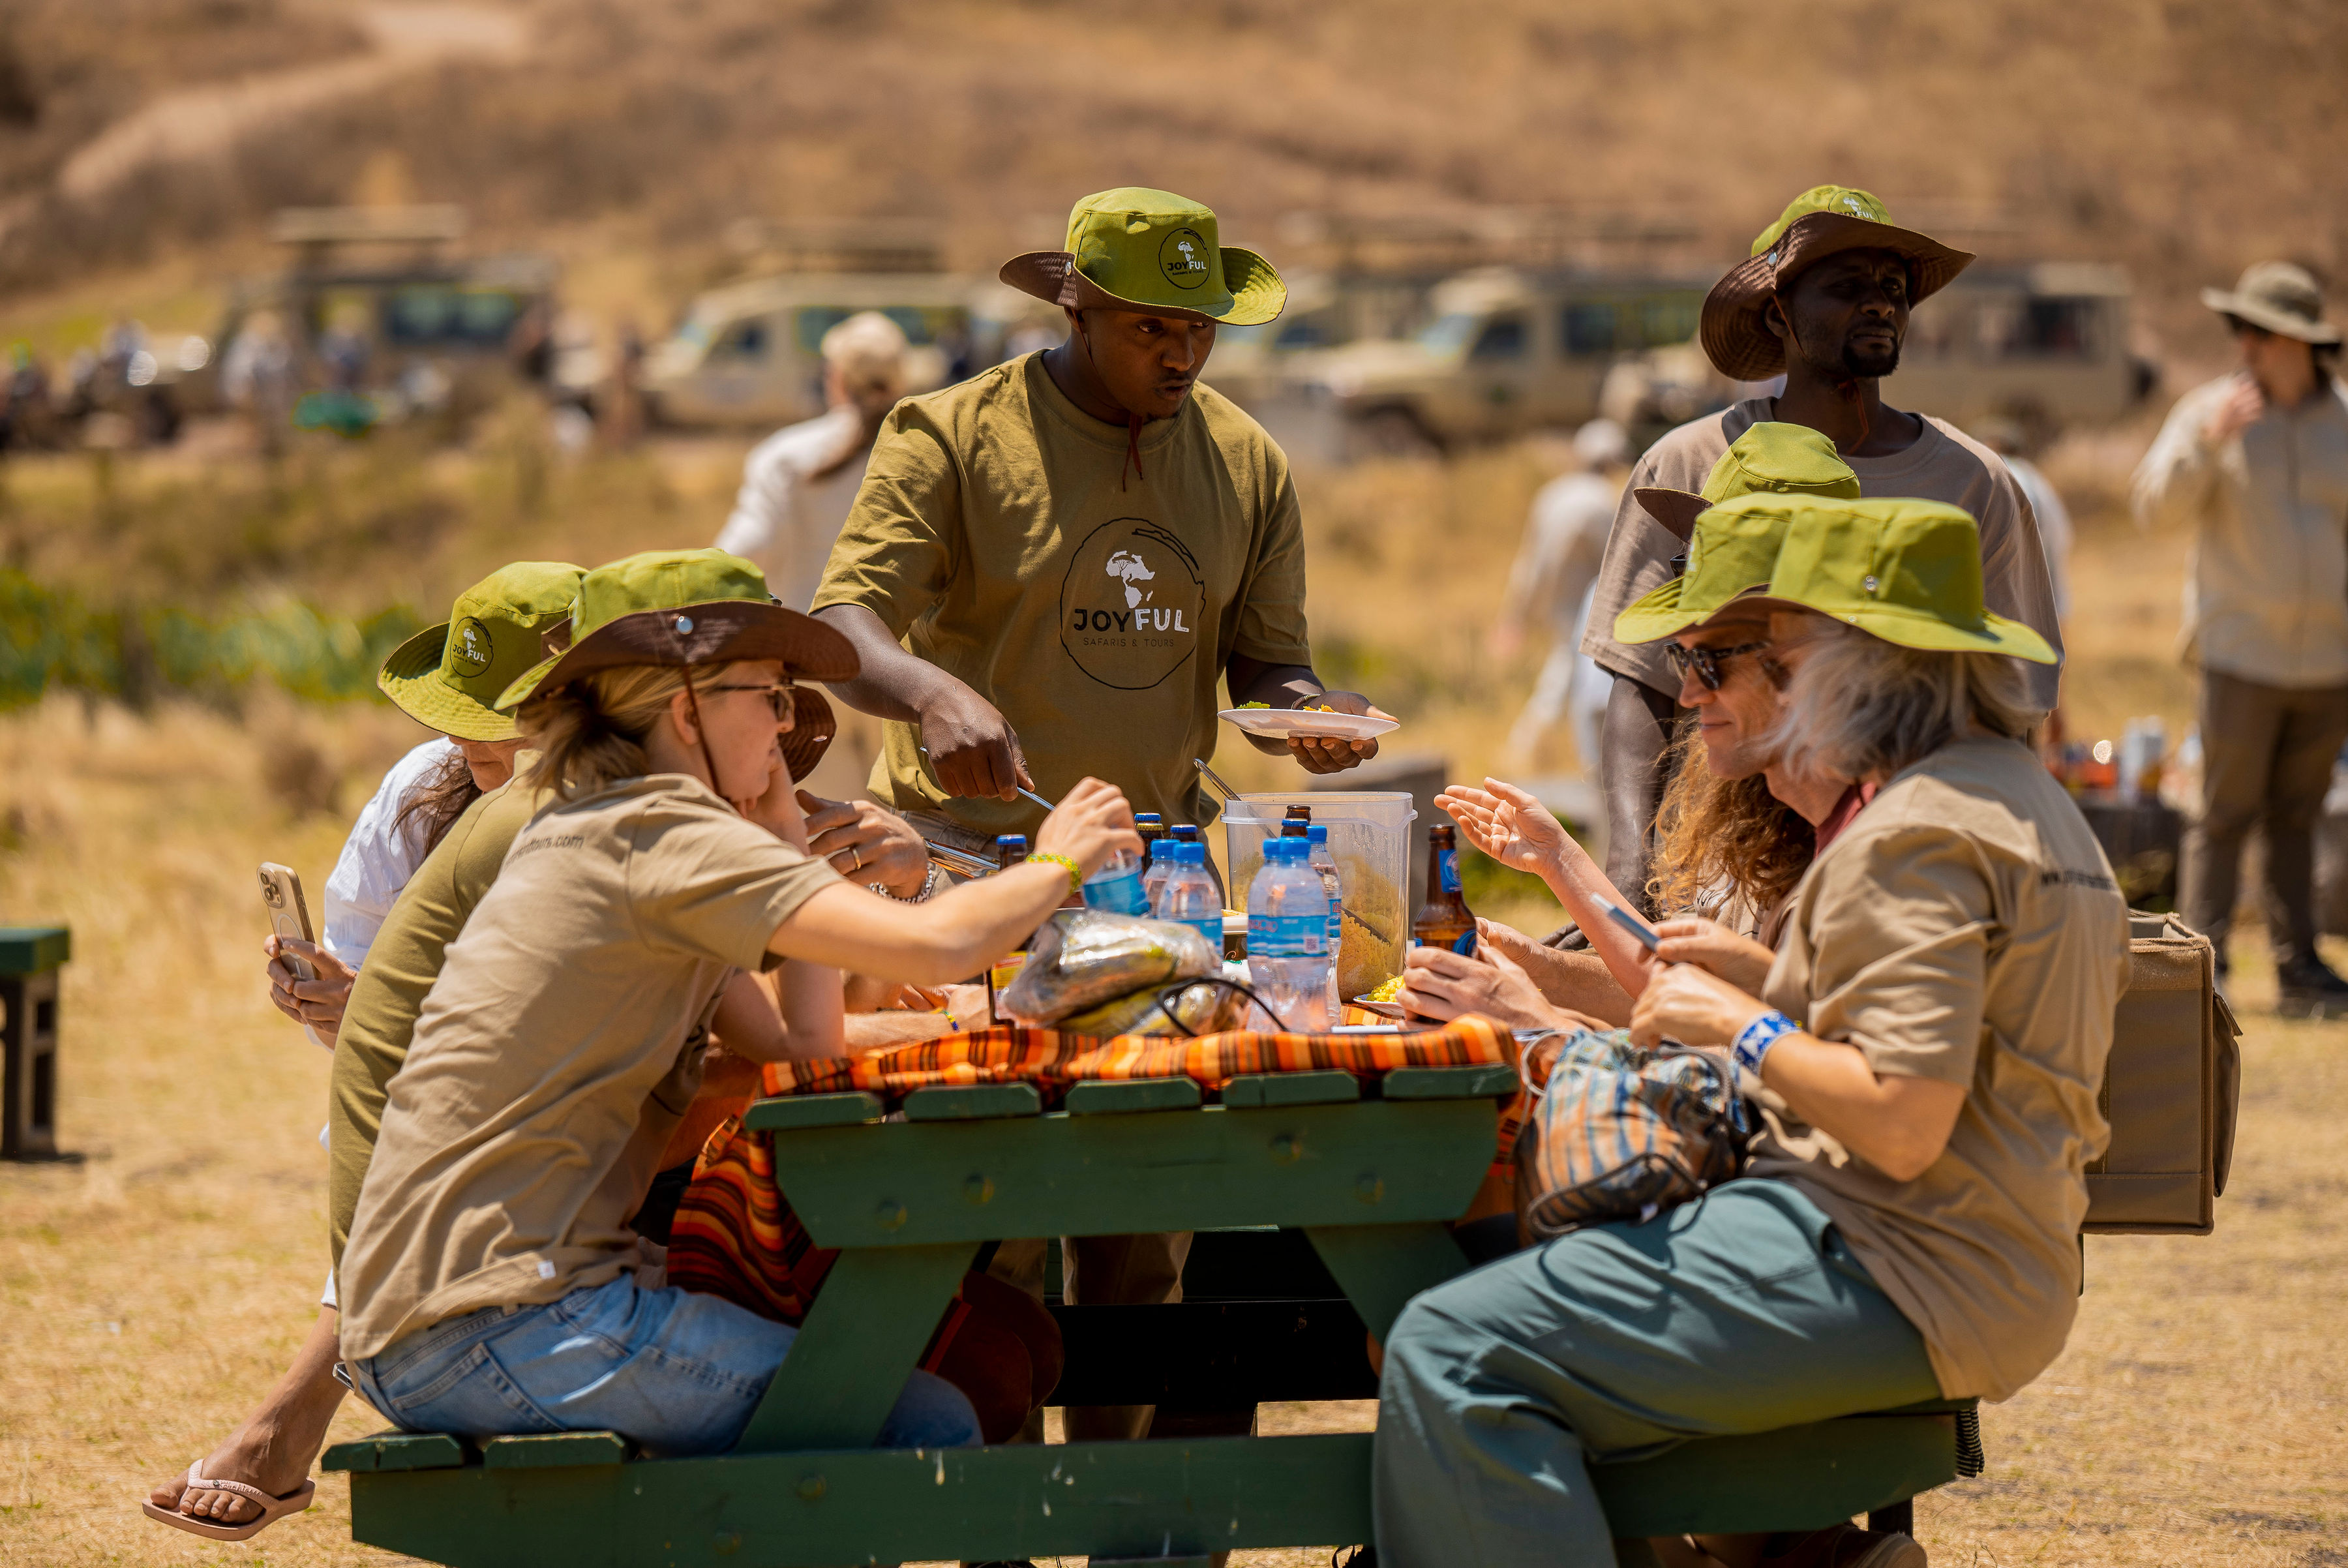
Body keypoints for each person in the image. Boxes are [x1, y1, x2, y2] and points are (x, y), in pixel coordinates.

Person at [1373, 497, 2127, 1568]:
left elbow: (1906, 1118)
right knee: (1510, 1332)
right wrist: (1771, 988)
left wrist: (1742, 1025)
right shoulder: (2005, 796)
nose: (1712, 683)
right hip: (1959, 1254)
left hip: (1902, 1258)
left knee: (1452, 1344)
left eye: (1749, 654)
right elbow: (1954, 1040)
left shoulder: (1918, 835)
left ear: (1851, 660)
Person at [338, 549, 1140, 1456]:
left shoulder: (607, 821)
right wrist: (1058, 856)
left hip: (452, 1319)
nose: (791, 719)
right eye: (768, 693)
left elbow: (800, 1043)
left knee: (925, 1378)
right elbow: (941, 944)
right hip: (493, 1324)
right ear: (687, 711)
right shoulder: (654, 831)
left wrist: (788, 834)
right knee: (932, 1421)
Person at [811, 188, 1385, 1443]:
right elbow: (843, 626)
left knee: (1141, 1223)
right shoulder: (953, 435)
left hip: (1152, 889)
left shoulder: (1244, 458)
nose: (1179, 355)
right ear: (1073, 305)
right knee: (996, 1220)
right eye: (1148, 329)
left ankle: (1119, 1510)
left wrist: (1311, 714)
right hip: (962, 875)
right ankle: (1007, 1521)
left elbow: (1268, 665)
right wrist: (930, 689)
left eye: (1200, 329)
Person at [145, 561, 585, 1541]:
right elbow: (362, 1006)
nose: (469, 736)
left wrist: (389, 1020)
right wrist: (332, 1006)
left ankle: (286, 1426)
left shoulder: (627, 808)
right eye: (459, 709)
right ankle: (287, 1427)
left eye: (497, 713)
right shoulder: (419, 789)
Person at [1582, 185, 2065, 911]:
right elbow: (1643, 681)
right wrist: (1628, 867)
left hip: (1904, 849)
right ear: (1778, 312)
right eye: (1847, 287)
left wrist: (2008, 858)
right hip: (1724, 851)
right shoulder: (1691, 463)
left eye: (1893, 288)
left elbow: (2008, 702)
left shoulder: (1972, 482)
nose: (1879, 304)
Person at [1409, 429, 1865, 1026]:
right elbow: (1688, 993)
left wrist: (1546, 1028)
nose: (1689, 693)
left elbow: (1766, 1065)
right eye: (1683, 659)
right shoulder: (1768, 799)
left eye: (1711, 660)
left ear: (1804, 660)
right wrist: (1534, 955)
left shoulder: (1875, 841)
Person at [2132, 261, 2348, 1011]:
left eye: (2255, 329)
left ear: (2297, 341)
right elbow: (2153, 509)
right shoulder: (2207, 412)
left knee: (2300, 815)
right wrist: (2209, 444)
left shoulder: (2343, 423)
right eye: (2239, 327)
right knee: (2221, 816)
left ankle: (2300, 968)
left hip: (2328, 662)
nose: (2241, 342)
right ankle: (2202, 970)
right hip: (2238, 656)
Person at [715, 310, 913, 614]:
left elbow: (747, 549)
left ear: (836, 377)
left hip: (806, 641)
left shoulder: (786, 454)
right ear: (900, 381)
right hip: (896, 649)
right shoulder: (920, 455)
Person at [1493, 418, 1631, 771]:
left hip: (1556, 605)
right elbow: (1615, 566)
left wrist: (1515, 617)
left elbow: (1531, 562)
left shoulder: (1554, 494)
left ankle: (1536, 756)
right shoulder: (1600, 501)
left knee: (1565, 676)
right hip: (1587, 609)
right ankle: (1528, 754)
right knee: (1566, 682)